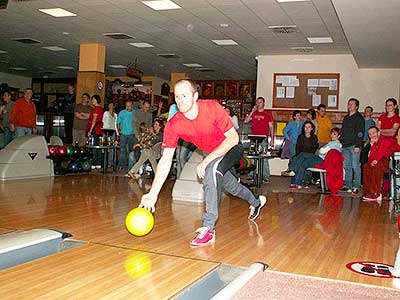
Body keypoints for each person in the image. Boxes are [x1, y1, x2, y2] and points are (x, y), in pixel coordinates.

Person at [139, 79, 267, 246]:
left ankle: (208, 228)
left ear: (195, 96)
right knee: (231, 187)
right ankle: (256, 202)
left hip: (231, 147)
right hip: (211, 153)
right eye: (177, 96)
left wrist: (206, 161)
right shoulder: (174, 124)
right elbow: (165, 159)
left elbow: (233, 138)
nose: (180, 100)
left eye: (185, 95)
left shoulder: (212, 108)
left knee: (211, 170)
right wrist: (153, 193)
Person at [363, 126, 399, 202]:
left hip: (395, 161)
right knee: (367, 166)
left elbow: (381, 152)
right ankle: (369, 192)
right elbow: (370, 159)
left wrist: (375, 160)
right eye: (370, 134)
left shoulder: (386, 140)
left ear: (378, 133)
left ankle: (377, 193)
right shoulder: (374, 142)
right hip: (384, 160)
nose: (372, 135)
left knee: (377, 166)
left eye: (373, 133)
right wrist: (372, 145)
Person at [244, 97, 274, 182]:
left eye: (260, 102)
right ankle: (251, 175)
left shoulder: (267, 114)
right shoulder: (253, 113)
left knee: (264, 158)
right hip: (254, 138)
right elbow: (246, 121)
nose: (258, 104)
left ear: (263, 103)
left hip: (263, 138)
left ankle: (265, 177)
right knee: (252, 157)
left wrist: (272, 139)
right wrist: (252, 111)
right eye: (257, 102)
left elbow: (271, 127)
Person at [340, 98, 365, 194]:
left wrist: (358, 145)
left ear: (357, 107)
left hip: (354, 145)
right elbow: (343, 131)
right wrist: (341, 141)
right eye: (349, 104)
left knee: (356, 166)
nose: (350, 106)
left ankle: (357, 186)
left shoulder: (359, 118)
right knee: (347, 165)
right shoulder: (346, 118)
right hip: (345, 145)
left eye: (352, 104)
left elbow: (360, 133)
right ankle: (348, 185)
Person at [288, 121, 319, 189]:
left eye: (309, 127)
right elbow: (297, 149)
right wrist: (299, 157)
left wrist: (302, 155)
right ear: (303, 128)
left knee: (302, 156)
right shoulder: (300, 137)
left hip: (311, 157)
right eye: (305, 127)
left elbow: (313, 151)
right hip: (301, 157)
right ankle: (294, 183)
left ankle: (292, 170)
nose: (307, 128)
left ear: (312, 129)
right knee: (300, 160)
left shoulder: (314, 137)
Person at [86, 95, 104, 168]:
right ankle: (98, 163)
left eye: (93, 99)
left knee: (94, 146)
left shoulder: (96, 109)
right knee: (98, 146)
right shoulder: (101, 109)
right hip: (100, 129)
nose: (92, 101)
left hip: (95, 129)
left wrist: (90, 130)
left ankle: (94, 162)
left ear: (97, 100)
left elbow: (94, 120)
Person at [117, 100, 135, 170]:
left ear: (132, 106)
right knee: (122, 150)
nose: (128, 107)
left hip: (131, 134)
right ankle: (122, 165)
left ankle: (131, 166)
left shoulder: (134, 113)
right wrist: (119, 130)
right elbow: (118, 122)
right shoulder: (122, 113)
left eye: (129, 106)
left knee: (131, 150)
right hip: (123, 134)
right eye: (127, 106)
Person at [102, 102, 119, 167]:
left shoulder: (115, 115)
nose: (111, 106)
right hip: (107, 131)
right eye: (110, 105)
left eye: (112, 105)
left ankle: (111, 163)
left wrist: (117, 133)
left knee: (112, 148)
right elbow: (104, 122)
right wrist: (104, 133)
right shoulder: (106, 113)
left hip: (113, 131)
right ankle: (105, 162)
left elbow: (116, 124)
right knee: (106, 147)